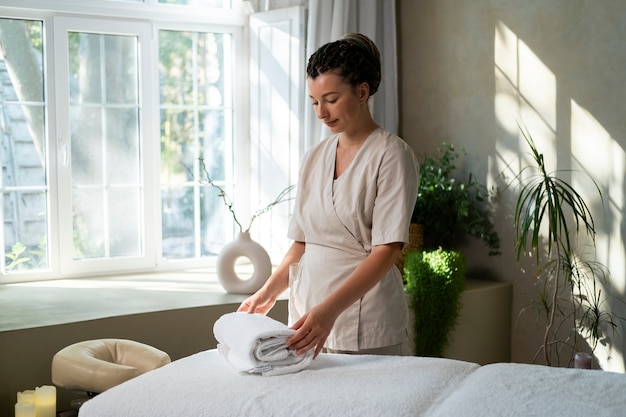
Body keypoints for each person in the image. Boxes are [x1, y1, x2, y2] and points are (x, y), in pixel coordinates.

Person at [238, 33, 419, 359]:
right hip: (308, 316)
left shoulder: (391, 155)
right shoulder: (314, 157)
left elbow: (386, 250)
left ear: (362, 92)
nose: (321, 112)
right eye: (314, 101)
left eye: (331, 99)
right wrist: (266, 294)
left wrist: (328, 312)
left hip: (365, 320)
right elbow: (302, 243)